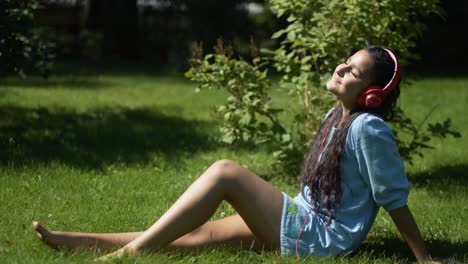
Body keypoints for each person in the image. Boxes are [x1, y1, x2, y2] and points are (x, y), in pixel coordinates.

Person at [32, 46, 441, 263]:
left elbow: (393, 197)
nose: (340, 68)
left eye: (351, 70)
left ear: (371, 94)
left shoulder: (368, 128)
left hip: (319, 238)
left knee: (225, 172)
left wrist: (422, 259)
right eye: (345, 62)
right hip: (306, 218)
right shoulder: (339, 113)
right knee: (194, 237)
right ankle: (82, 243)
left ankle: (129, 254)